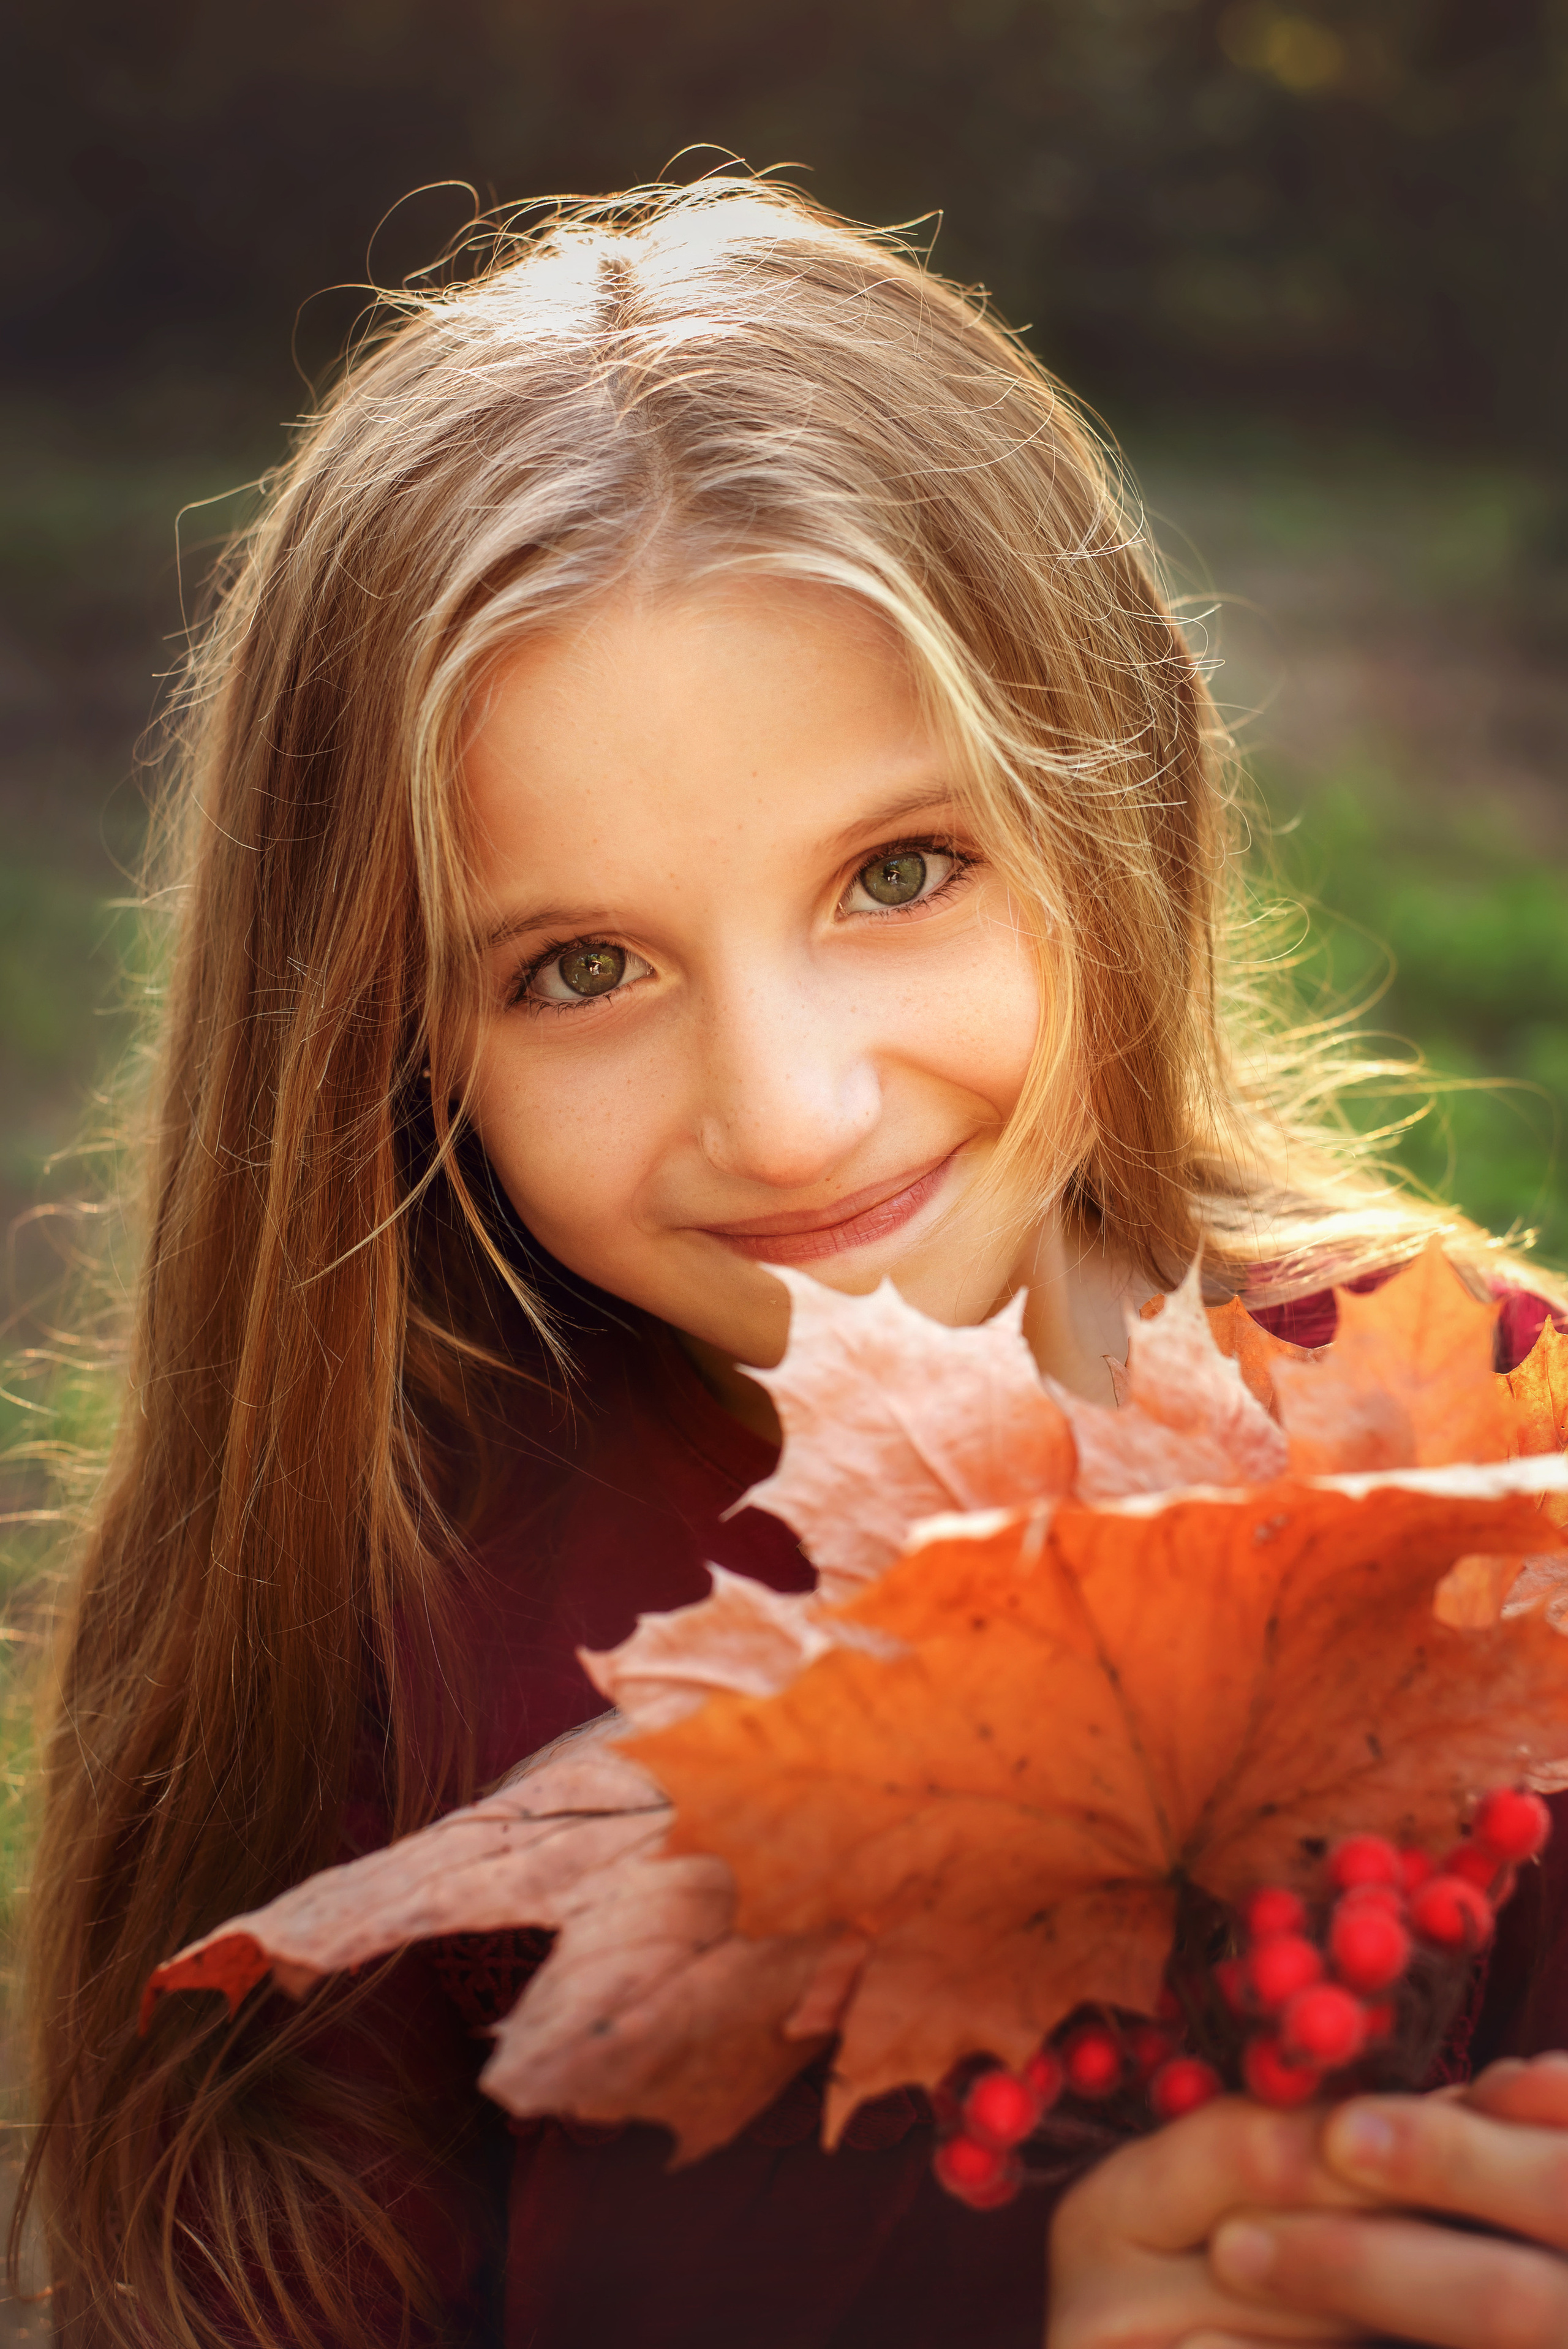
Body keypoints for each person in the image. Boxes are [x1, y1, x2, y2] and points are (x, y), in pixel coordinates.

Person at [19, 179, 1568, 2349]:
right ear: (385, 1042)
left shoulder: (1490, 1472)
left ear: (1112, 794)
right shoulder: (396, 1629)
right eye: (579, 966)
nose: (791, 1110)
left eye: (899, 870)